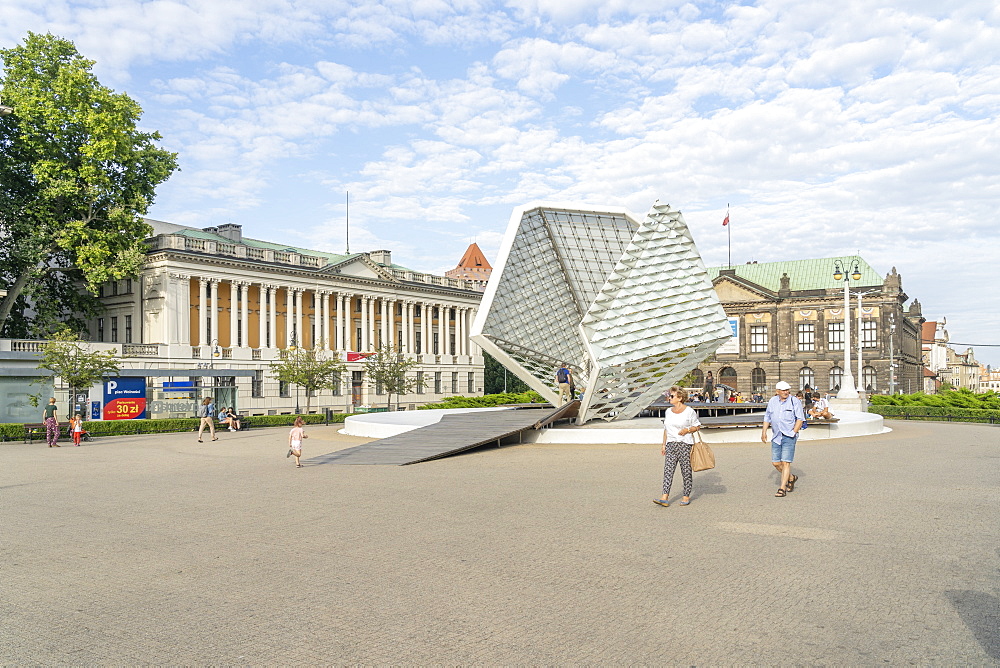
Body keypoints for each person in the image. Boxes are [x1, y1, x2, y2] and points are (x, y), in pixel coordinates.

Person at [654, 386, 702, 508]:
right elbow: (666, 429)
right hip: (671, 444)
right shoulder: (668, 411)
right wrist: (663, 444)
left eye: (672, 396)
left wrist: (687, 430)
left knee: (686, 471)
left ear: (680, 398)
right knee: (668, 470)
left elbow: (697, 426)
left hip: (685, 444)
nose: (669, 398)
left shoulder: (689, 411)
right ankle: (664, 496)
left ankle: (686, 495)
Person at [761, 381, 805, 497]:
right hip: (776, 436)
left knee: (785, 462)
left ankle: (782, 488)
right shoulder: (772, 401)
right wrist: (764, 431)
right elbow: (767, 416)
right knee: (776, 463)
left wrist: (793, 432)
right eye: (783, 390)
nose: (786, 392)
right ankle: (791, 477)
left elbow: (800, 419)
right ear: (777, 391)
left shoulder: (794, 401)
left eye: (787, 390)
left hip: (789, 436)